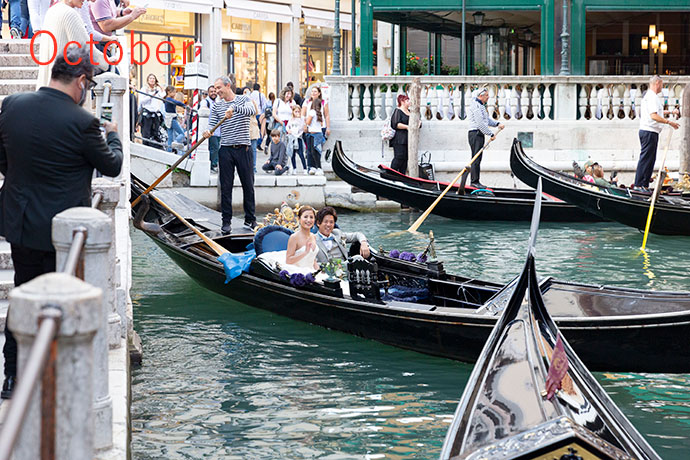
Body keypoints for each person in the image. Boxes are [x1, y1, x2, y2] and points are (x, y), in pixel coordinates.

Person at [0, 45, 123, 399]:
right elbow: (112, 165)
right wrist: (112, 133)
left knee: (22, 295)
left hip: (21, 222)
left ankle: (12, 376)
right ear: (82, 81)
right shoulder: (84, 122)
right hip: (62, 232)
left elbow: (2, 157)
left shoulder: (13, 106)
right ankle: (53, 377)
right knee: (59, 304)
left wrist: (23, 184)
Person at [203, 75, 257, 234]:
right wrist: (208, 132)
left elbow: (251, 110)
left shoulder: (243, 99)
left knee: (248, 185)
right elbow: (212, 124)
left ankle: (250, 219)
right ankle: (226, 222)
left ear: (228, 86)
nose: (216, 91)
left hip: (244, 148)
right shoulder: (217, 106)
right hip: (225, 149)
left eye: (218, 88)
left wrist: (234, 109)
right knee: (226, 187)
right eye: (215, 88)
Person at [35, 0, 110, 89]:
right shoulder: (70, 14)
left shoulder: (52, 11)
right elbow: (85, 48)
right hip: (64, 86)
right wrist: (106, 61)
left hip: (48, 83)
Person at [634, 75, 680, 191]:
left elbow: (657, 112)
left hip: (649, 131)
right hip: (649, 131)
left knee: (650, 159)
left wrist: (670, 111)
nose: (662, 87)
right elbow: (654, 116)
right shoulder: (652, 97)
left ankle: (643, 184)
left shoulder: (649, 97)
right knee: (646, 159)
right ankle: (639, 185)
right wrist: (669, 122)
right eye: (662, 84)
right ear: (657, 83)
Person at [465, 86, 504, 189]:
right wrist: (490, 134)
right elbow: (480, 124)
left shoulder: (481, 106)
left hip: (479, 134)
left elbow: (487, 120)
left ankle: (476, 181)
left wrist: (497, 124)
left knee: (478, 158)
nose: (488, 97)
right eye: (486, 95)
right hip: (475, 134)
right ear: (481, 96)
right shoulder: (476, 106)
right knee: (476, 158)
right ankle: (474, 181)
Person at [303, 86, 327, 175]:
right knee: (316, 151)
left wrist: (305, 123)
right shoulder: (319, 113)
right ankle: (316, 167)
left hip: (312, 133)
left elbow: (308, 122)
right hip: (318, 133)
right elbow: (321, 123)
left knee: (311, 151)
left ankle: (316, 167)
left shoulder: (312, 112)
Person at [139, 74, 164, 147]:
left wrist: (161, 87)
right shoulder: (144, 89)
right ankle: (145, 147)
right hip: (147, 113)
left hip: (155, 113)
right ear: (148, 80)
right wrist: (151, 96)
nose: (152, 80)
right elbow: (141, 101)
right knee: (146, 133)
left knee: (155, 132)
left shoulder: (157, 90)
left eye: (153, 78)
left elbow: (163, 95)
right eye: (150, 78)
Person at [389, 94, 411, 174]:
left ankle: (402, 176)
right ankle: (391, 175)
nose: (409, 102)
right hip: (399, 139)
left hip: (409, 140)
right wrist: (407, 127)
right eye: (407, 100)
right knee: (399, 157)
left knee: (405, 159)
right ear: (402, 102)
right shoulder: (398, 111)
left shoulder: (410, 112)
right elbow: (395, 124)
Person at [201, 84, 220, 172]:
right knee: (214, 147)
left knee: (216, 148)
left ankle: (214, 163)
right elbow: (203, 108)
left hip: (219, 130)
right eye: (211, 92)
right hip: (210, 130)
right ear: (208, 93)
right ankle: (213, 165)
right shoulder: (206, 102)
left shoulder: (218, 101)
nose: (213, 93)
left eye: (214, 91)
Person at [163, 85, 187, 152]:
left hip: (168, 119)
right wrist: (184, 105)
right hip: (172, 119)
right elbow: (176, 102)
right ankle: (176, 141)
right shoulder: (169, 99)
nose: (174, 94)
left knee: (170, 137)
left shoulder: (167, 99)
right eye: (173, 92)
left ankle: (169, 150)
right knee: (182, 133)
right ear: (168, 92)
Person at [243, 86, 261, 172]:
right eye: (245, 92)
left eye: (248, 92)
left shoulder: (252, 102)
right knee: (243, 149)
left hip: (253, 128)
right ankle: (245, 166)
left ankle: (253, 166)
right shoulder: (240, 102)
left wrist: (252, 102)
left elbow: (256, 112)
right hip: (243, 128)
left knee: (253, 149)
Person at [286, 105, 306, 175]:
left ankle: (305, 168)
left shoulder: (302, 119)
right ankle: (294, 168)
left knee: (301, 154)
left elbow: (303, 127)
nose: (297, 113)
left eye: (298, 111)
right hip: (292, 138)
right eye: (296, 111)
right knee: (292, 154)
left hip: (298, 137)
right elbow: (287, 127)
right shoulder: (291, 119)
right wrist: (288, 130)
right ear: (293, 112)